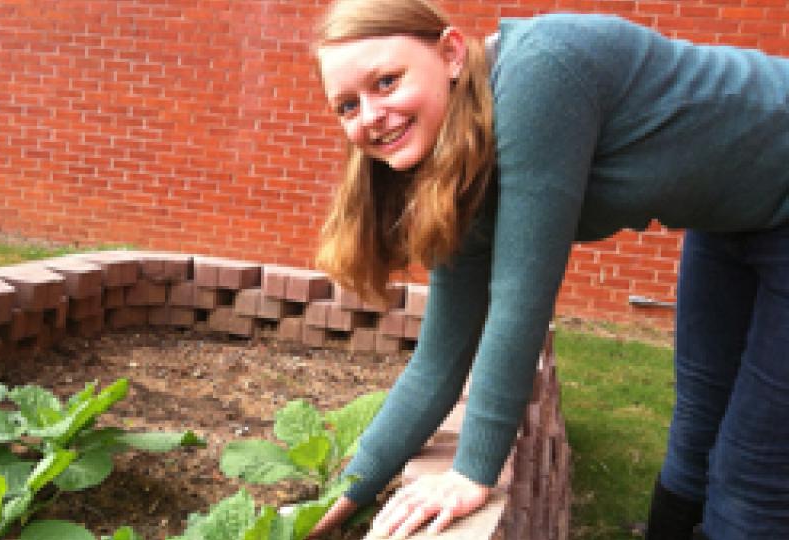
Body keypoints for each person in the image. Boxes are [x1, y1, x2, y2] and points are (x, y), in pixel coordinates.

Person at [306, 0, 789, 538]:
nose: (371, 115)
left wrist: (471, 472)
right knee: (697, 428)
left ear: (450, 53)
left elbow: (520, 300)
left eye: (387, 81)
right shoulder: (460, 169)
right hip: (730, 216)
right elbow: (439, 360)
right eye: (347, 106)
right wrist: (340, 499)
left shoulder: (539, 75)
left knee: (752, 473)